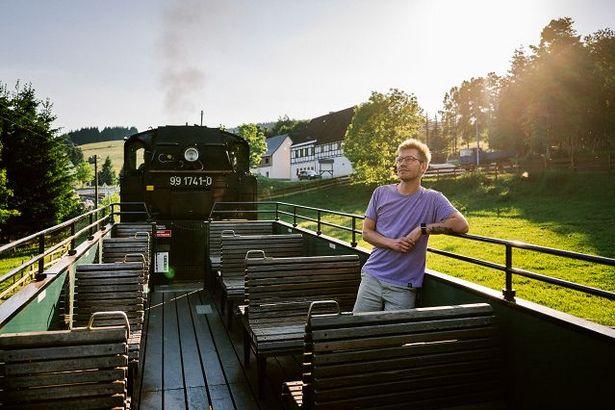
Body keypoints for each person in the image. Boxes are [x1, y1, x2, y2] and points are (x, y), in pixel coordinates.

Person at [353, 138, 469, 312]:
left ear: (424, 166)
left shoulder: (433, 199)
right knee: (358, 331)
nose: (402, 164)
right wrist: (393, 243)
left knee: (396, 337)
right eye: (399, 159)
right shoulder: (381, 193)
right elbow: (367, 233)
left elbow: (462, 225)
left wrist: (423, 229)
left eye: (409, 159)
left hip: (403, 285)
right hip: (372, 276)